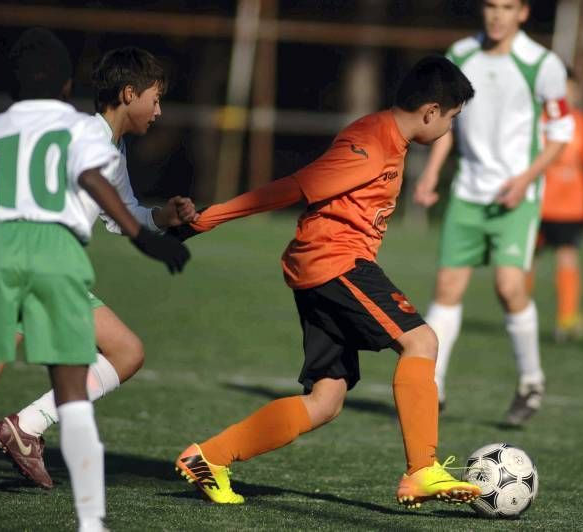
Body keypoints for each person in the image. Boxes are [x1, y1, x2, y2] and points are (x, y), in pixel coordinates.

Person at [170, 56, 481, 508]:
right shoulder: (372, 143)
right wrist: (210, 218)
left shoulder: (389, 139)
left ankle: (209, 458)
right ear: (431, 111)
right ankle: (422, 470)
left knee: (326, 399)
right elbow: (294, 186)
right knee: (422, 342)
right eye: (452, 119)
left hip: (322, 268)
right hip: (334, 262)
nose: (450, 129)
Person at [0, 28, 190, 531]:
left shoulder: (107, 144)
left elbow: (118, 211)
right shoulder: (82, 135)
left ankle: (26, 426)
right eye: (155, 100)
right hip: (41, 260)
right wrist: (149, 237)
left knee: (126, 352)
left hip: (33, 262)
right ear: (129, 95)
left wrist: (160, 219)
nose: (158, 112)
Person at [412, 0, 574, 425]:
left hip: (517, 197)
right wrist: (431, 174)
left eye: (506, 6)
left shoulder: (542, 64)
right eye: (490, 5)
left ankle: (530, 382)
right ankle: (434, 387)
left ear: (522, 12)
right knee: (447, 288)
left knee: (508, 287)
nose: (497, 15)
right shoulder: (460, 55)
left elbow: (560, 135)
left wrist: (524, 181)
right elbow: (446, 122)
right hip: (467, 193)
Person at [534, 69, 583, 342]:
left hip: (570, 206)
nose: (567, 94)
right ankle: (521, 312)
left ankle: (566, 318)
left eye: (571, 89)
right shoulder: (539, 120)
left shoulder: (580, 122)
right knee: (527, 259)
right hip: (540, 202)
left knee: (567, 257)